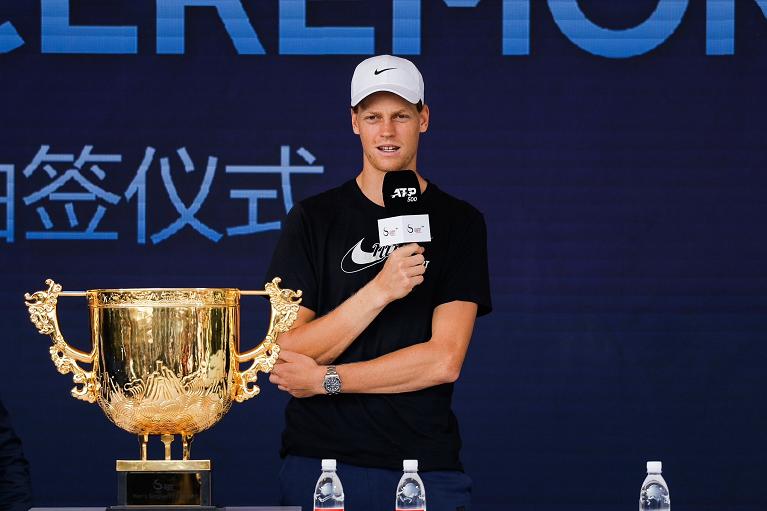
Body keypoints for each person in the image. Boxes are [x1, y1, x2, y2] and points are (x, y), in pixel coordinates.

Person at [265, 54, 491, 511]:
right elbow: (285, 352)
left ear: (423, 119)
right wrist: (380, 290)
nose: (387, 131)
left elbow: (443, 361)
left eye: (400, 116)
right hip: (321, 464)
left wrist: (327, 380)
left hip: (423, 466)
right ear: (355, 123)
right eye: (373, 117)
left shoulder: (460, 223)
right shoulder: (312, 219)